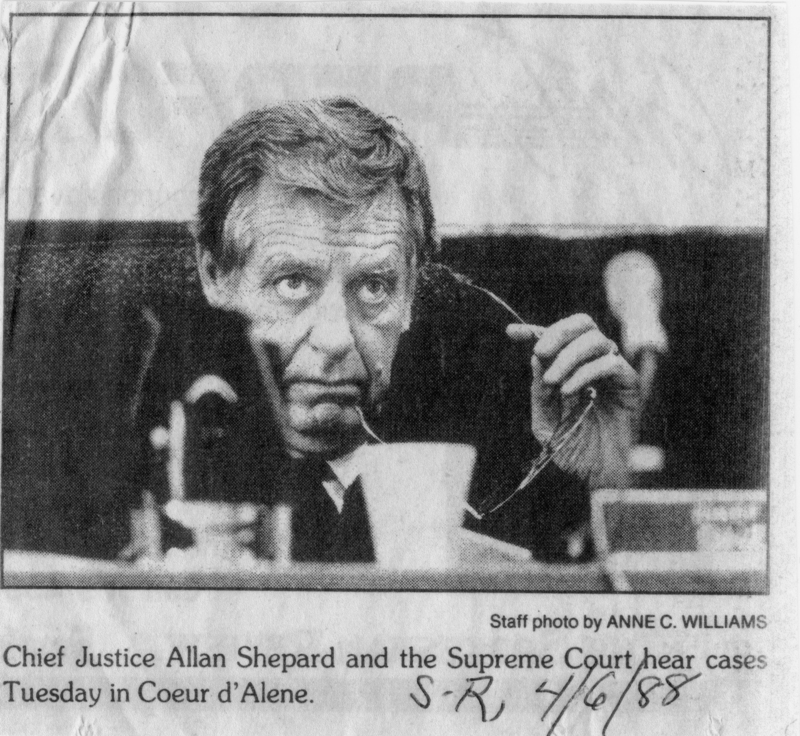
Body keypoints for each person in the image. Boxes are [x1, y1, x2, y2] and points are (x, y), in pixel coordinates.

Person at [136, 97, 639, 563]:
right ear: (216, 275)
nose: (335, 340)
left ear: (411, 296)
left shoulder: (492, 496)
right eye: (293, 282)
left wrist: (608, 496)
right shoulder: (137, 485)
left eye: (374, 287)